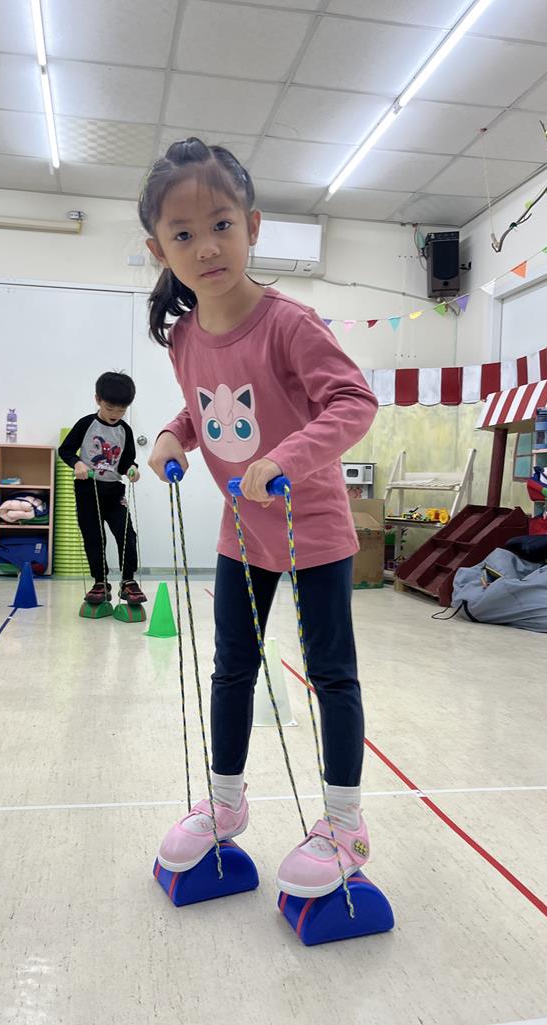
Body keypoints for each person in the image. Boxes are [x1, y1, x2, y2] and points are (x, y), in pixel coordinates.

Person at [141, 138, 378, 899]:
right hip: (241, 532)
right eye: (183, 234)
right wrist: (172, 434)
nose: (206, 247)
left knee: (330, 675)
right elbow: (205, 405)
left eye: (221, 225)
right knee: (232, 670)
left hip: (314, 529)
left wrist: (288, 457)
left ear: (252, 225)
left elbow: (353, 402)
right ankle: (225, 802)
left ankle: (344, 824)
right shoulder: (184, 336)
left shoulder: (289, 322)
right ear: (159, 250)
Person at [59, 372, 146, 606]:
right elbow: (65, 450)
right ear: (98, 399)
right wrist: (77, 463)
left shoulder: (125, 430)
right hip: (88, 490)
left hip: (114, 491)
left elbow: (127, 460)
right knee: (94, 537)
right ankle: (100, 581)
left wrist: (133, 469)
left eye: (121, 410)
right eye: (110, 408)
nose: (115, 414)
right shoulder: (86, 424)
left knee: (127, 534)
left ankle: (128, 581)